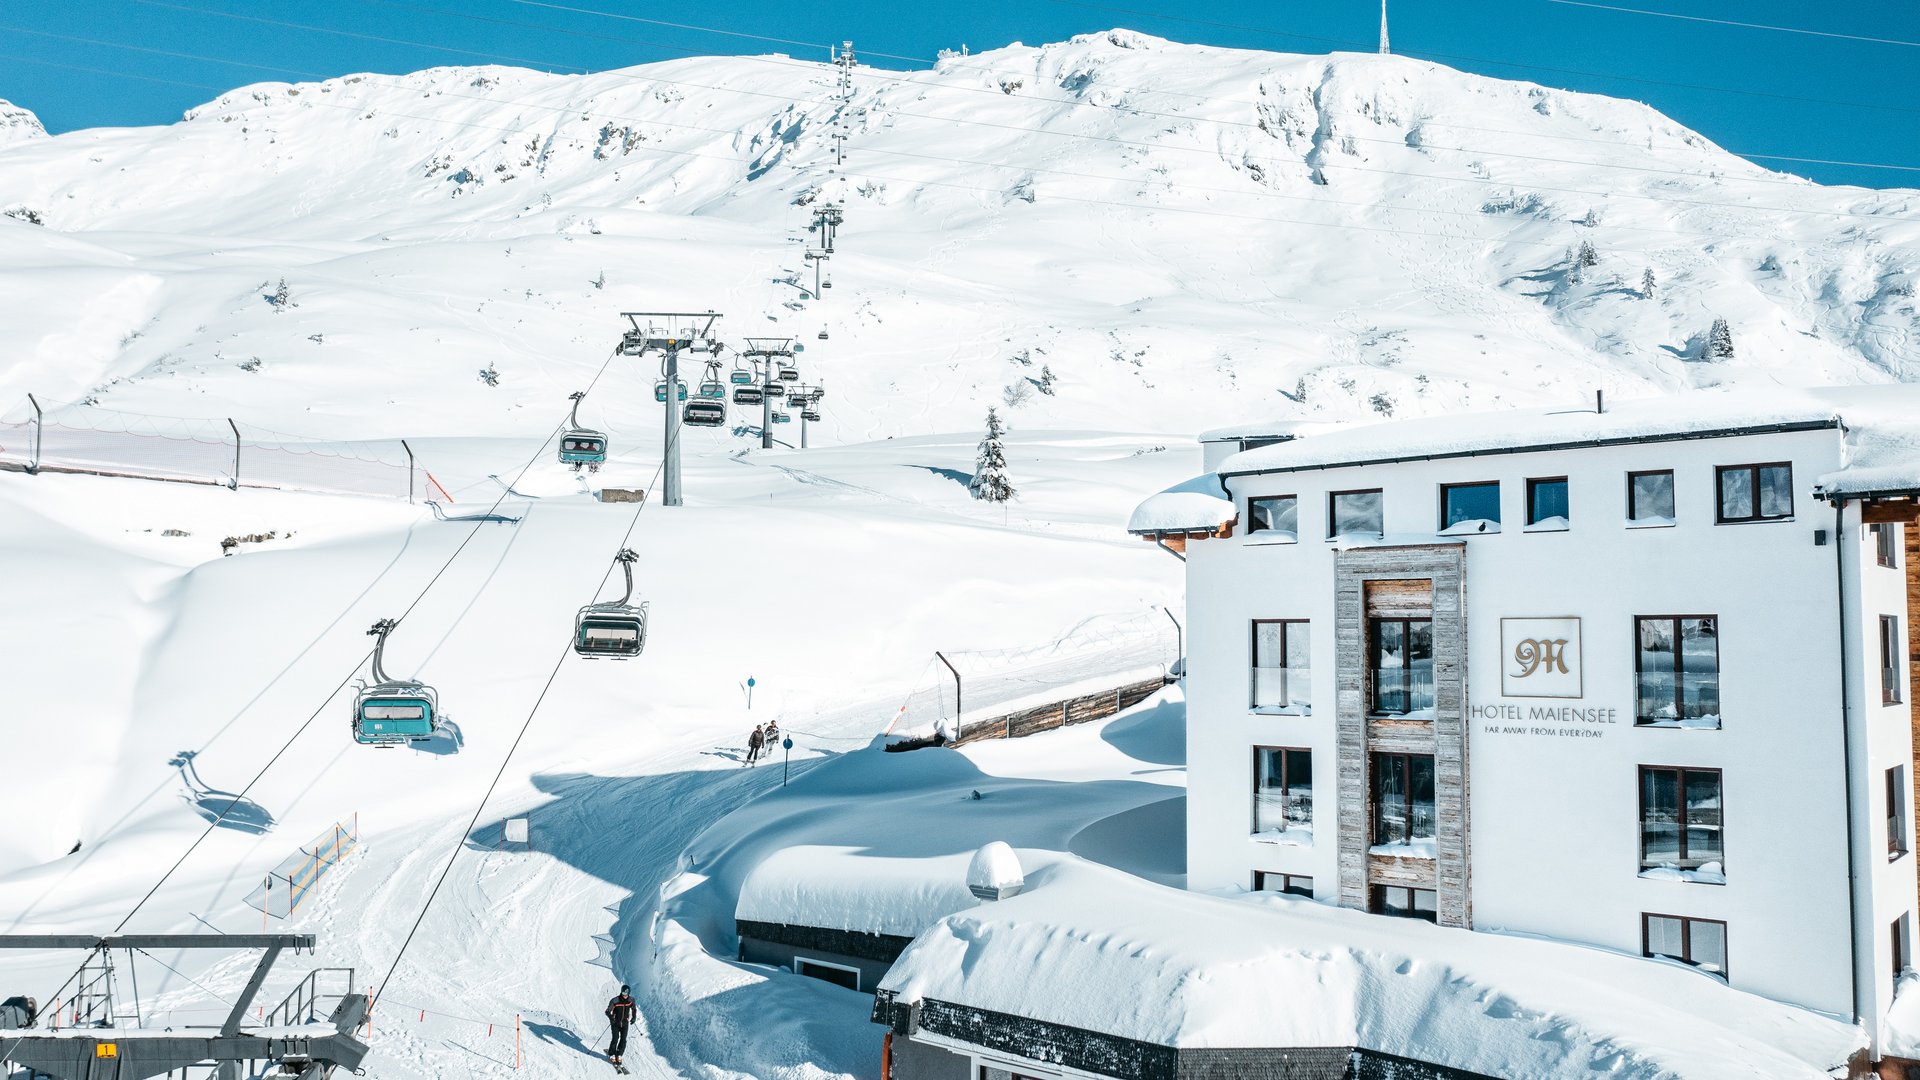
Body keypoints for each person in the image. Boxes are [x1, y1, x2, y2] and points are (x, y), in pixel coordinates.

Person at [605, 985, 636, 1064]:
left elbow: (634, 1009)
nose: (624, 995)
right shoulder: (615, 1000)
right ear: (621, 991)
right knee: (615, 1038)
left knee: (623, 1039)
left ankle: (619, 1054)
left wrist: (634, 1017)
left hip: (625, 1023)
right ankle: (611, 1054)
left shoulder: (631, 1000)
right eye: (623, 993)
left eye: (626, 994)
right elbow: (607, 1011)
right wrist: (611, 1018)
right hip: (615, 1023)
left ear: (629, 993)